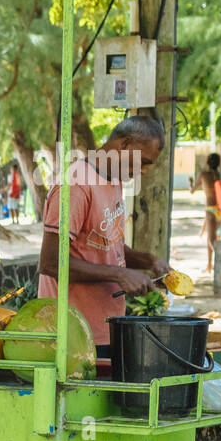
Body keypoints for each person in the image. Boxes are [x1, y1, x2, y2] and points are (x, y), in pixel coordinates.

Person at [37, 115, 171, 358]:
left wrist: (148, 262)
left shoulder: (113, 180)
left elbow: (108, 243)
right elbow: (50, 263)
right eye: (145, 162)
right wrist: (119, 274)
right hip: (73, 334)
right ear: (125, 144)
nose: (146, 171)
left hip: (105, 327)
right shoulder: (76, 185)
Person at [190, 153, 221, 273]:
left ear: (207, 162)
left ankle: (214, 263)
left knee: (211, 239)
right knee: (217, 237)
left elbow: (192, 191)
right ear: (219, 163)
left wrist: (190, 182)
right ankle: (211, 265)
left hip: (211, 209)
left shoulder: (203, 175)